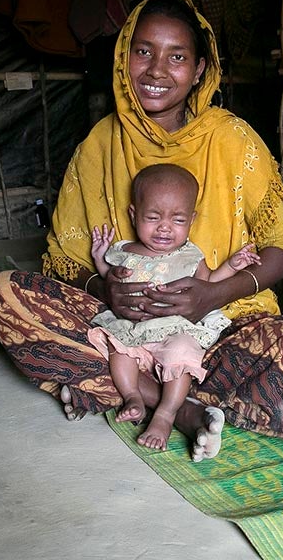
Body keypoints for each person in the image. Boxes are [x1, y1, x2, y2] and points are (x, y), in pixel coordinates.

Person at [0, 0, 283, 462]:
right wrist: (103, 288)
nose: (157, 70)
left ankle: (120, 392)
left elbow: (282, 247)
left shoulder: (232, 140)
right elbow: (64, 258)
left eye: (177, 57)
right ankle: (179, 408)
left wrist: (213, 295)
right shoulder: (100, 144)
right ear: (124, 55)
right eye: (143, 51)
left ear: (201, 68)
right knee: (4, 295)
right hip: (123, 327)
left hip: (220, 324)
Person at [86, 163, 260, 451]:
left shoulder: (190, 256)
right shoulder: (124, 250)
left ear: (191, 219)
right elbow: (110, 279)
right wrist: (101, 260)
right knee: (118, 349)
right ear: (134, 215)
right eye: (153, 217)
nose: (164, 227)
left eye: (178, 220)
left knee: (181, 353)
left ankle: (166, 413)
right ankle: (132, 396)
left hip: (173, 329)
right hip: (134, 330)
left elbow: (208, 284)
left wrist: (231, 265)